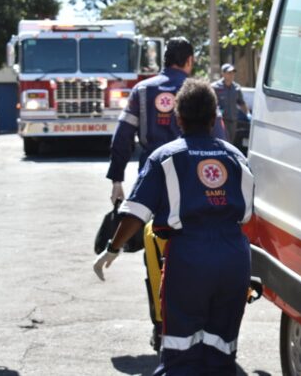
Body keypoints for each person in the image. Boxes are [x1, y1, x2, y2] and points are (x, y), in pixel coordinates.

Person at [94, 78, 253, 375]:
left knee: (180, 352)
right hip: (234, 258)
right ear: (213, 119)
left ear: (178, 118)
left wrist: (112, 249)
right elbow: (248, 215)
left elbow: (136, 213)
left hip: (189, 260)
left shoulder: (165, 157)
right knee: (223, 350)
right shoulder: (236, 157)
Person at [105, 37, 226, 350]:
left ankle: (161, 327)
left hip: (154, 184)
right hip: (197, 183)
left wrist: (117, 178)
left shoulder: (142, 91)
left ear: (164, 59)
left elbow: (122, 136)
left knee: (155, 254)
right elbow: (221, 138)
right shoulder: (201, 91)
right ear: (189, 60)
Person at [211, 63, 249, 143]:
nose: (232, 75)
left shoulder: (236, 88)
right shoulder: (215, 87)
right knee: (221, 141)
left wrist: (248, 114)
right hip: (221, 120)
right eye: (229, 73)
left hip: (233, 121)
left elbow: (241, 103)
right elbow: (211, 103)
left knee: (231, 142)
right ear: (223, 73)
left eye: (233, 73)